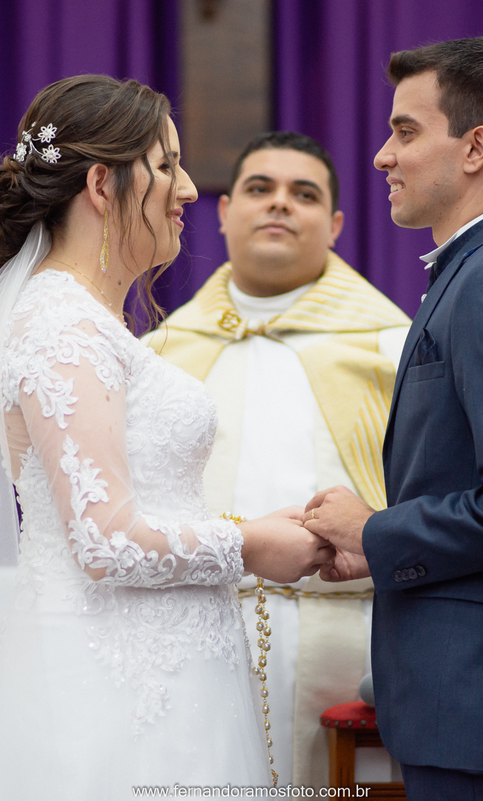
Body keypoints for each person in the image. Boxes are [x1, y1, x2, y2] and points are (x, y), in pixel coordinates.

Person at [0, 75, 334, 801]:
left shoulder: (90, 323)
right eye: (167, 165)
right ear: (104, 183)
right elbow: (105, 541)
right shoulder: (60, 327)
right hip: (106, 694)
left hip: (160, 673)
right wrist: (250, 543)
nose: (188, 191)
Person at [303, 38, 483, 800]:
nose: (380, 157)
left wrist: (375, 531)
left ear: (475, 149)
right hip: (471, 704)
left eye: (405, 132)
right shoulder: (478, 274)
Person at [145, 131, 410, 786]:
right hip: (193, 636)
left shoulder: (397, 349)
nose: (280, 205)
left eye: (305, 194)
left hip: (353, 636)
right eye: (261, 190)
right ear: (226, 209)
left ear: (337, 224)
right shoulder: (159, 353)